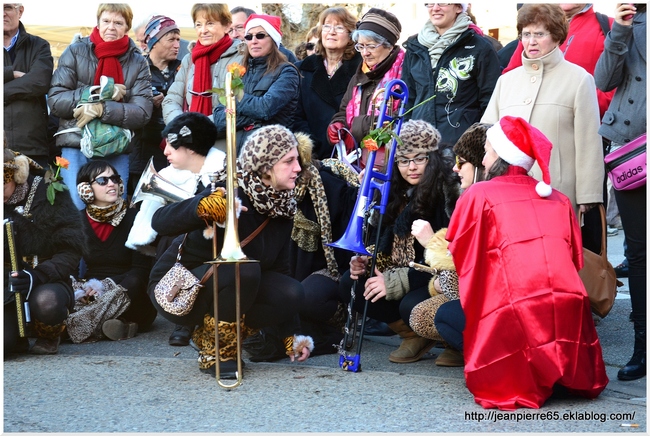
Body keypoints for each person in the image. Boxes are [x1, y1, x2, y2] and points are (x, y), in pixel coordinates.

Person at [446, 115, 608, 409]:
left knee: (448, 316)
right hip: (565, 304)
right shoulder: (558, 199)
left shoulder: (479, 193)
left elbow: (459, 247)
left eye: (487, 152)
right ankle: (558, 373)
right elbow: (574, 259)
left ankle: (526, 375)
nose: (482, 160)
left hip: (514, 309)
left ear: (499, 156)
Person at [148, 124, 314, 378]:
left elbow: (279, 272)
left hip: (229, 281)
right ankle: (219, 353)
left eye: (297, 161)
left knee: (292, 292)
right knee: (244, 269)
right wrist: (201, 206)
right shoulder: (228, 188)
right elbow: (159, 221)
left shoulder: (282, 207)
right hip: (176, 288)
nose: (298, 168)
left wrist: (290, 334)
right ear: (266, 165)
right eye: (289, 161)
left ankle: (209, 337)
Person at [480, 4, 604, 249]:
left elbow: (589, 141)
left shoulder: (579, 79)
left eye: (540, 34)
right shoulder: (506, 81)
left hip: (556, 192)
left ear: (556, 36)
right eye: (526, 34)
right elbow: (487, 135)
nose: (531, 41)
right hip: (507, 194)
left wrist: (588, 194)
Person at [338, 119, 460, 363]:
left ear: (433, 158)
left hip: (437, 277)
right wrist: (368, 259)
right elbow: (385, 242)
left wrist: (395, 280)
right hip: (406, 273)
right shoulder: (396, 192)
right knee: (351, 283)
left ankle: (454, 342)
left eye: (419, 158)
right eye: (403, 161)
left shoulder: (448, 193)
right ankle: (413, 335)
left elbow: (450, 264)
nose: (411, 167)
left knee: (410, 303)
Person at [126, 112, 225, 347]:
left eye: (172, 146)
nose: (165, 151)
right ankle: (183, 315)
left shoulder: (222, 171)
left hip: (215, 242)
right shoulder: (168, 175)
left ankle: (195, 316)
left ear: (190, 148)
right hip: (183, 243)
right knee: (170, 239)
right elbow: (152, 221)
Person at [48, 3, 153, 210]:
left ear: (127, 27)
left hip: (116, 147)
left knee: (111, 209)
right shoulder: (75, 52)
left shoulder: (138, 62)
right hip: (76, 143)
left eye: (118, 23)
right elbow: (56, 100)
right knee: (76, 210)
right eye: (106, 21)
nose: (111, 27)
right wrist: (94, 93)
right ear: (98, 23)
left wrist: (102, 110)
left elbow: (142, 112)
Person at [409, 122, 490, 368]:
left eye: (462, 162)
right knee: (416, 310)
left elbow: (461, 287)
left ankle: (485, 356)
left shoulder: (478, 200)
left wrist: (431, 244)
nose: (455, 168)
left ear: (481, 164)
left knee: (431, 314)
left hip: (493, 303)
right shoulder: (471, 195)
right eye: (403, 160)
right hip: (474, 293)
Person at [593, 3, 646, 381]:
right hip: (634, 153)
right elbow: (604, 80)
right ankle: (641, 347)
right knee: (639, 253)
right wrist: (622, 29)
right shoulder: (628, 23)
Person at [4, 149, 87, 355]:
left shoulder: (51, 190)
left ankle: (49, 335)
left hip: (48, 278)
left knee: (47, 301)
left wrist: (36, 276)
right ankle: (16, 335)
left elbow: (71, 249)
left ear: (16, 176)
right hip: (7, 284)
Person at [72, 160, 157, 342]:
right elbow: (70, 267)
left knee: (134, 282)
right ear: (86, 189)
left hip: (131, 294)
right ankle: (117, 326)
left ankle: (84, 325)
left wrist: (105, 287)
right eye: (103, 181)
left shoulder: (135, 217)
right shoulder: (77, 222)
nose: (112, 184)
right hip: (91, 291)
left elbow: (141, 271)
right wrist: (83, 289)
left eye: (115, 179)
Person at [400, 3, 500, 146]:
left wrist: (477, 146)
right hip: (420, 146)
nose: (435, 8)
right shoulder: (415, 46)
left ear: (459, 7)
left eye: (442, 2)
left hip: (460, 146)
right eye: (430, 3)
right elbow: (408, 98)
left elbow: (490, 101)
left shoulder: (480, 47)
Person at [212, 13, 300, 155]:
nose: (253, 41)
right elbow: (220, 119)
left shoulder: (287, 72)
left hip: (272, 154)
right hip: (239, 154)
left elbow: (265, 109)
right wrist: (253, 117)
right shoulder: (239, 72)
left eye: (260, 35)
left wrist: (233, 98)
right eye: (248, 36)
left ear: (273, 39)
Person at [327, 8, 404, 169]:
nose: (365, 53)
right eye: (360, 46)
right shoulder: (359, 75)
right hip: (357, 159)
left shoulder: (404, 72)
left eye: (370, 46)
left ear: (389, 45)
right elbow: (343, 111)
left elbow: (402, 115)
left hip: (392, 161)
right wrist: (337, 125)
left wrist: (357, 126)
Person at [162, 3, 244, 146]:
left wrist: (199, 128)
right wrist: (181, 126)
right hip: (188, 141)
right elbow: (171, 100)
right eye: (198, 25)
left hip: (226, 143)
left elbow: (239, 104)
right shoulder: (189, 59)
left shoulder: (241, 57)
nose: (203, 30)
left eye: (210, 24)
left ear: (226, 26)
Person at [293, 7, 362, 160]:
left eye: (339, 27)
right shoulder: (302, 69)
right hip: (312, 154)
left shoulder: (361, 69)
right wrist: (311, 146)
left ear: (351, 35)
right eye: (327, 26)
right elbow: (296, 115)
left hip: (349, 153)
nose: (331, 32)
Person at [130, 14, 183, 187]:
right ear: (154, 41)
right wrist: (144, 101)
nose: (177, 45)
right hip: (143, 153)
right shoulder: (137, 69)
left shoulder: (184, 68)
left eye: (178, 39)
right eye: (171, 40)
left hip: (177, 153)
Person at [3, 3, 54, 168]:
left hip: (31, 145)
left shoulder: (39, 46)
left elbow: (39, 82)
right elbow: (29, 82)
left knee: (35, 193)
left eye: (7, 7)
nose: (2, 13)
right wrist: (11, 73)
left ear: (20, 11)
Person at [228, 6, 298, 63]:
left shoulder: (285, 57)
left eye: (239, 27)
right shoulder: (226, 57)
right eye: (230, 30)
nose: (234, 35)